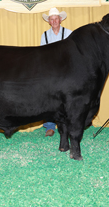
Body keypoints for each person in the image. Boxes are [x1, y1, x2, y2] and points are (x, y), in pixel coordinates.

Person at [40, 7, 72, 136]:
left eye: (56, 19)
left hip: (66, 71)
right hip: (50, 72)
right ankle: (50, 126)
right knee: (50, 98)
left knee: (68, 98)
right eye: (51, 19)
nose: (54, 21)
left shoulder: (69, 33)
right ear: (49, 21)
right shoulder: (45, 35)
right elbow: (42, 54)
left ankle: (67, 124)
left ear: (60, 19)